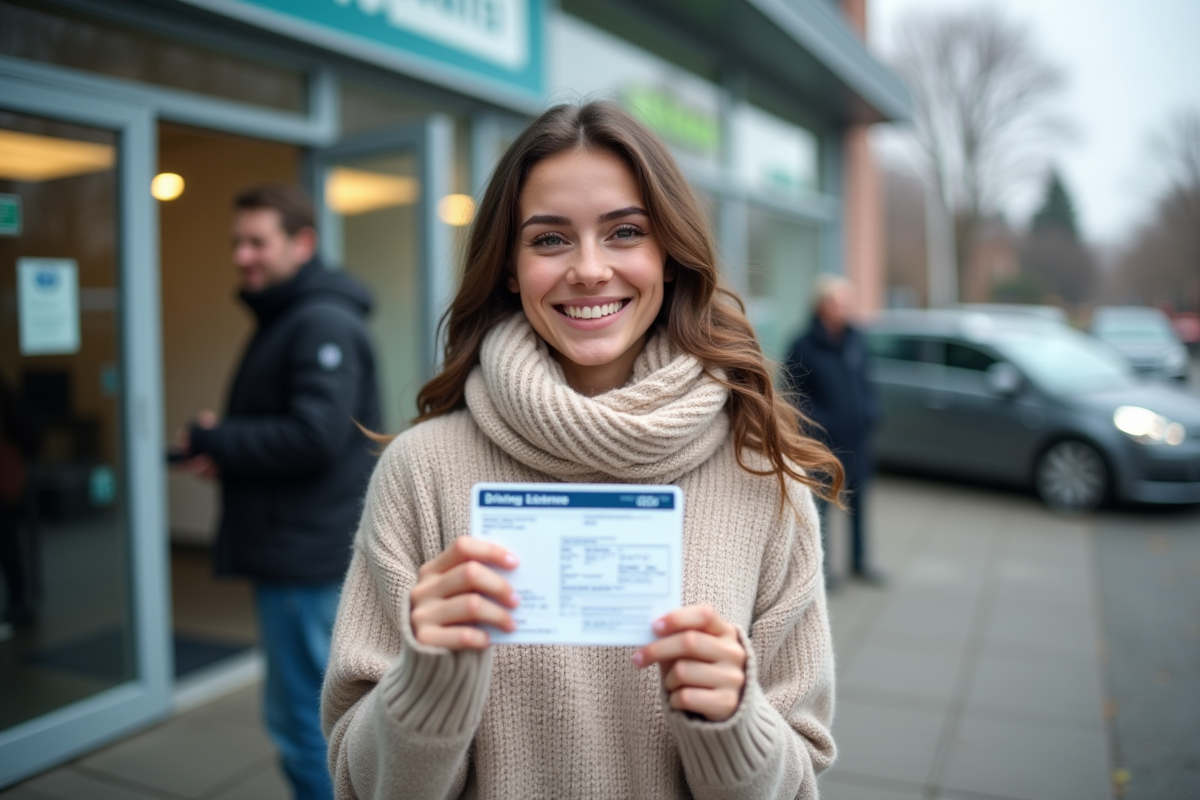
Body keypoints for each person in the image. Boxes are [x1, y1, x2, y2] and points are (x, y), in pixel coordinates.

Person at [320, 101, 845, 799]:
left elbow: (800, 782)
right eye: (549, 240)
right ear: (509, 267)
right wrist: (427, 685)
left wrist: (732, 721)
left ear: (669, 253)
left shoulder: (761, 477)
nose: (590, 269)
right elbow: (359, 784)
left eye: (626, 232)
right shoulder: (422, 471)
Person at [174, 183, 381, 800]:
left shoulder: (319, 320)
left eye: (257, 242)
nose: (243, 256)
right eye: (237, 242)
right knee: (306, 715)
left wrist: (223, 439)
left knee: (305, 724)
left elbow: (314, 436)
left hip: (303, 557)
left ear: (302, 243)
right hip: (298, 550)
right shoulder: (291, 314)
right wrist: (230, 454)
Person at [782, 275, 883, 588]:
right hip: (822, 445)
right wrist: (819, 424)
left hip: (857, 440)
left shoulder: (855, 340)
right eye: (839, 303)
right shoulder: (803, 345)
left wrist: (871, 411)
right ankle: (822, 570)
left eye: (848, 304)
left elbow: (866, 383)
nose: (846, 310)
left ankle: (860, 561)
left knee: (858, 503)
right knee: (821, 510)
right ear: (822, 306)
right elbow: (792, 394)